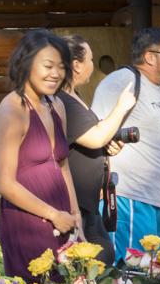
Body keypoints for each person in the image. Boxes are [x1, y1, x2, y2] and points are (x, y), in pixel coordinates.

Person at [91, 27, 160, 261]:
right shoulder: (123, 80)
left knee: (152, 273)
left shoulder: (155, 88)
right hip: (130, 196)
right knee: (131, 273)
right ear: (150, 56)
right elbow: (97, 128)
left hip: (156, 200)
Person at [0, 29, 81, 284]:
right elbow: (5, 184)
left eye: (61, 67)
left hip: (62, 216)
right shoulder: (12, 109)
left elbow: (63, 164)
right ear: (26, 63)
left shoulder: (57, 105)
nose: (55, 73)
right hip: (27, 221)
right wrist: (53, 214)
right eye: (48, 65)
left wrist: (76, 216)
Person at [57, 35, 136, 265]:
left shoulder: (74, 96)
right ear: (77, 65)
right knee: (97, 260)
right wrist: (121, 107)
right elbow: (95, 136)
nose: (93, 65)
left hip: (89, 200)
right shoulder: (63, 101)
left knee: (103, 257)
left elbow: (94, 138)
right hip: (75, 202)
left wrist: (107, 148)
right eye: (90, 59)